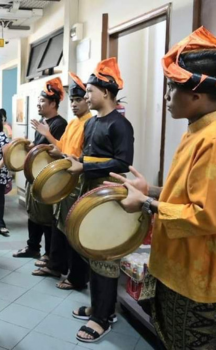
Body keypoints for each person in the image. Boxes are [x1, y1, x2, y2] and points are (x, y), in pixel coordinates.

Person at [109, 27, 216, 349]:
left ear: (196, 95)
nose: (167, 98)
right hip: (175, 266)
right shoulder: (197, 130)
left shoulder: (212, 140)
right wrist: (152, 191)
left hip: (196, 277)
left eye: (171, 89)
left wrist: (145, 203)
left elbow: (205, 215)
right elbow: (188, 194)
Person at [65, 57, 134, 342]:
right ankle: (100, 307)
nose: (86, 96)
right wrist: (75, 162)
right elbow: (87, 157)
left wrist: (87, 167)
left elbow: (123, 163)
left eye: (90, 91)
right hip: (90, 191)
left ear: (105, 93)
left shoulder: (121, 124)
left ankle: (102, 318)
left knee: (105, 254)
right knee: (91, 251)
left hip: (109, 196)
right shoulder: (93, 123)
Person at [30, 72, 92, 286]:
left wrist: (49, 138)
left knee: (71, 228)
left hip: (77, 181)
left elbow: (83, 157)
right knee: (59, 225)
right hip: (65, 178)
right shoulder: (75, 123)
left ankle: (75, 275)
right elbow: (62, 147)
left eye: (79, 99)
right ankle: (57, 265)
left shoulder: (90, 123)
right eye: (73, 100)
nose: (74, 104)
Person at [13, 77, 67, 261]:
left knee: (46, 217)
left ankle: (48, 254)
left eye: (43, 101)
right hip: (34, 176)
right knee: (33, 214)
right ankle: (33, 247)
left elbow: (59, 151)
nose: (39, 104)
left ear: (53, 103)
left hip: (48, 179)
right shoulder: (43, 122)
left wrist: (46, 135)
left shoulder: (60, 124)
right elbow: (40, 147)